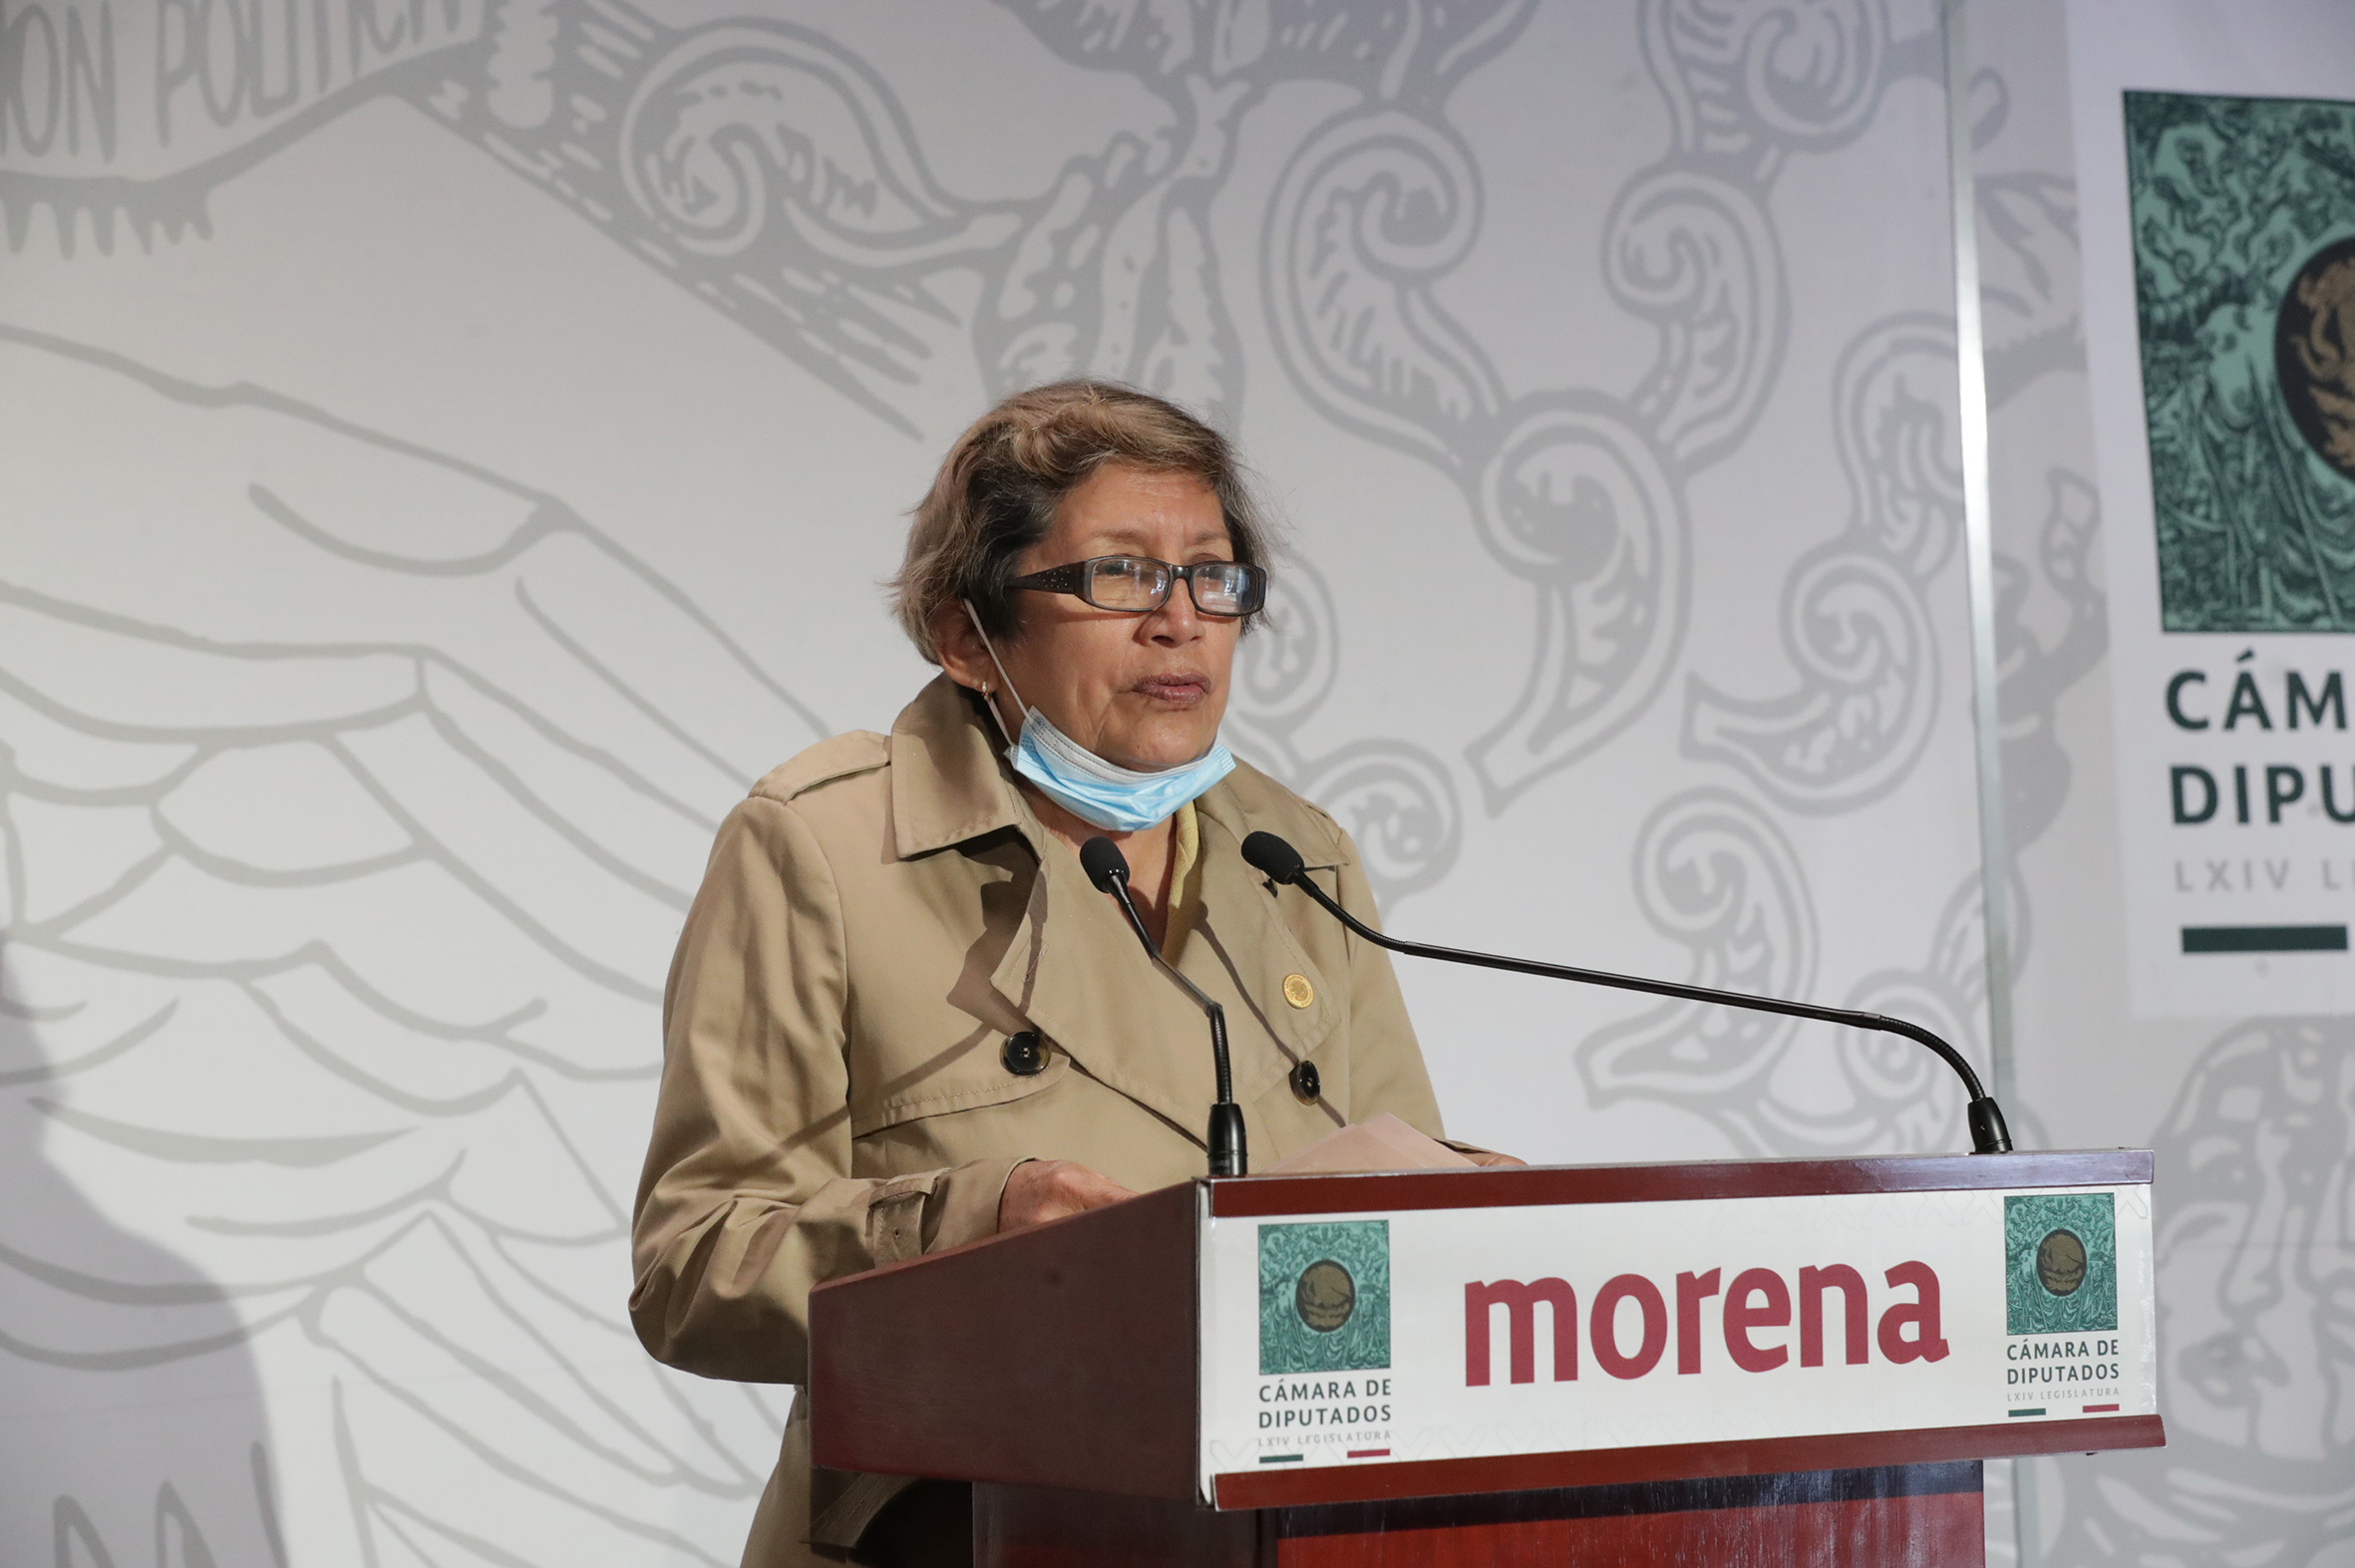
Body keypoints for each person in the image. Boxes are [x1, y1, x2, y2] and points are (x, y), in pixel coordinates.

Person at [628, 381, 1490, 1568]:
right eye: (1120, 575)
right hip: (960, 1534)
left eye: (1212, 576)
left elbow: (1402, 1209)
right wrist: (976, 1224)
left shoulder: (1296, 854)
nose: (1179, 621)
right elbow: (694, 1267)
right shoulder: (821, 844)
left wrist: (1485, 1221)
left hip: (1272, 1533)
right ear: (965, 634)